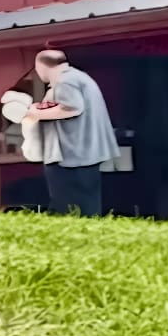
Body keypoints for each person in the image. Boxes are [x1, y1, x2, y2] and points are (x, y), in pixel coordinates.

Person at [29, 48, 114, 216]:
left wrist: (36, 113)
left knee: (67, 202)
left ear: (42, 66)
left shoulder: (65, 81)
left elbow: (72, 108)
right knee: (88, 202)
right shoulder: (79, 77)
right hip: (88, 151)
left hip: (73, 154)